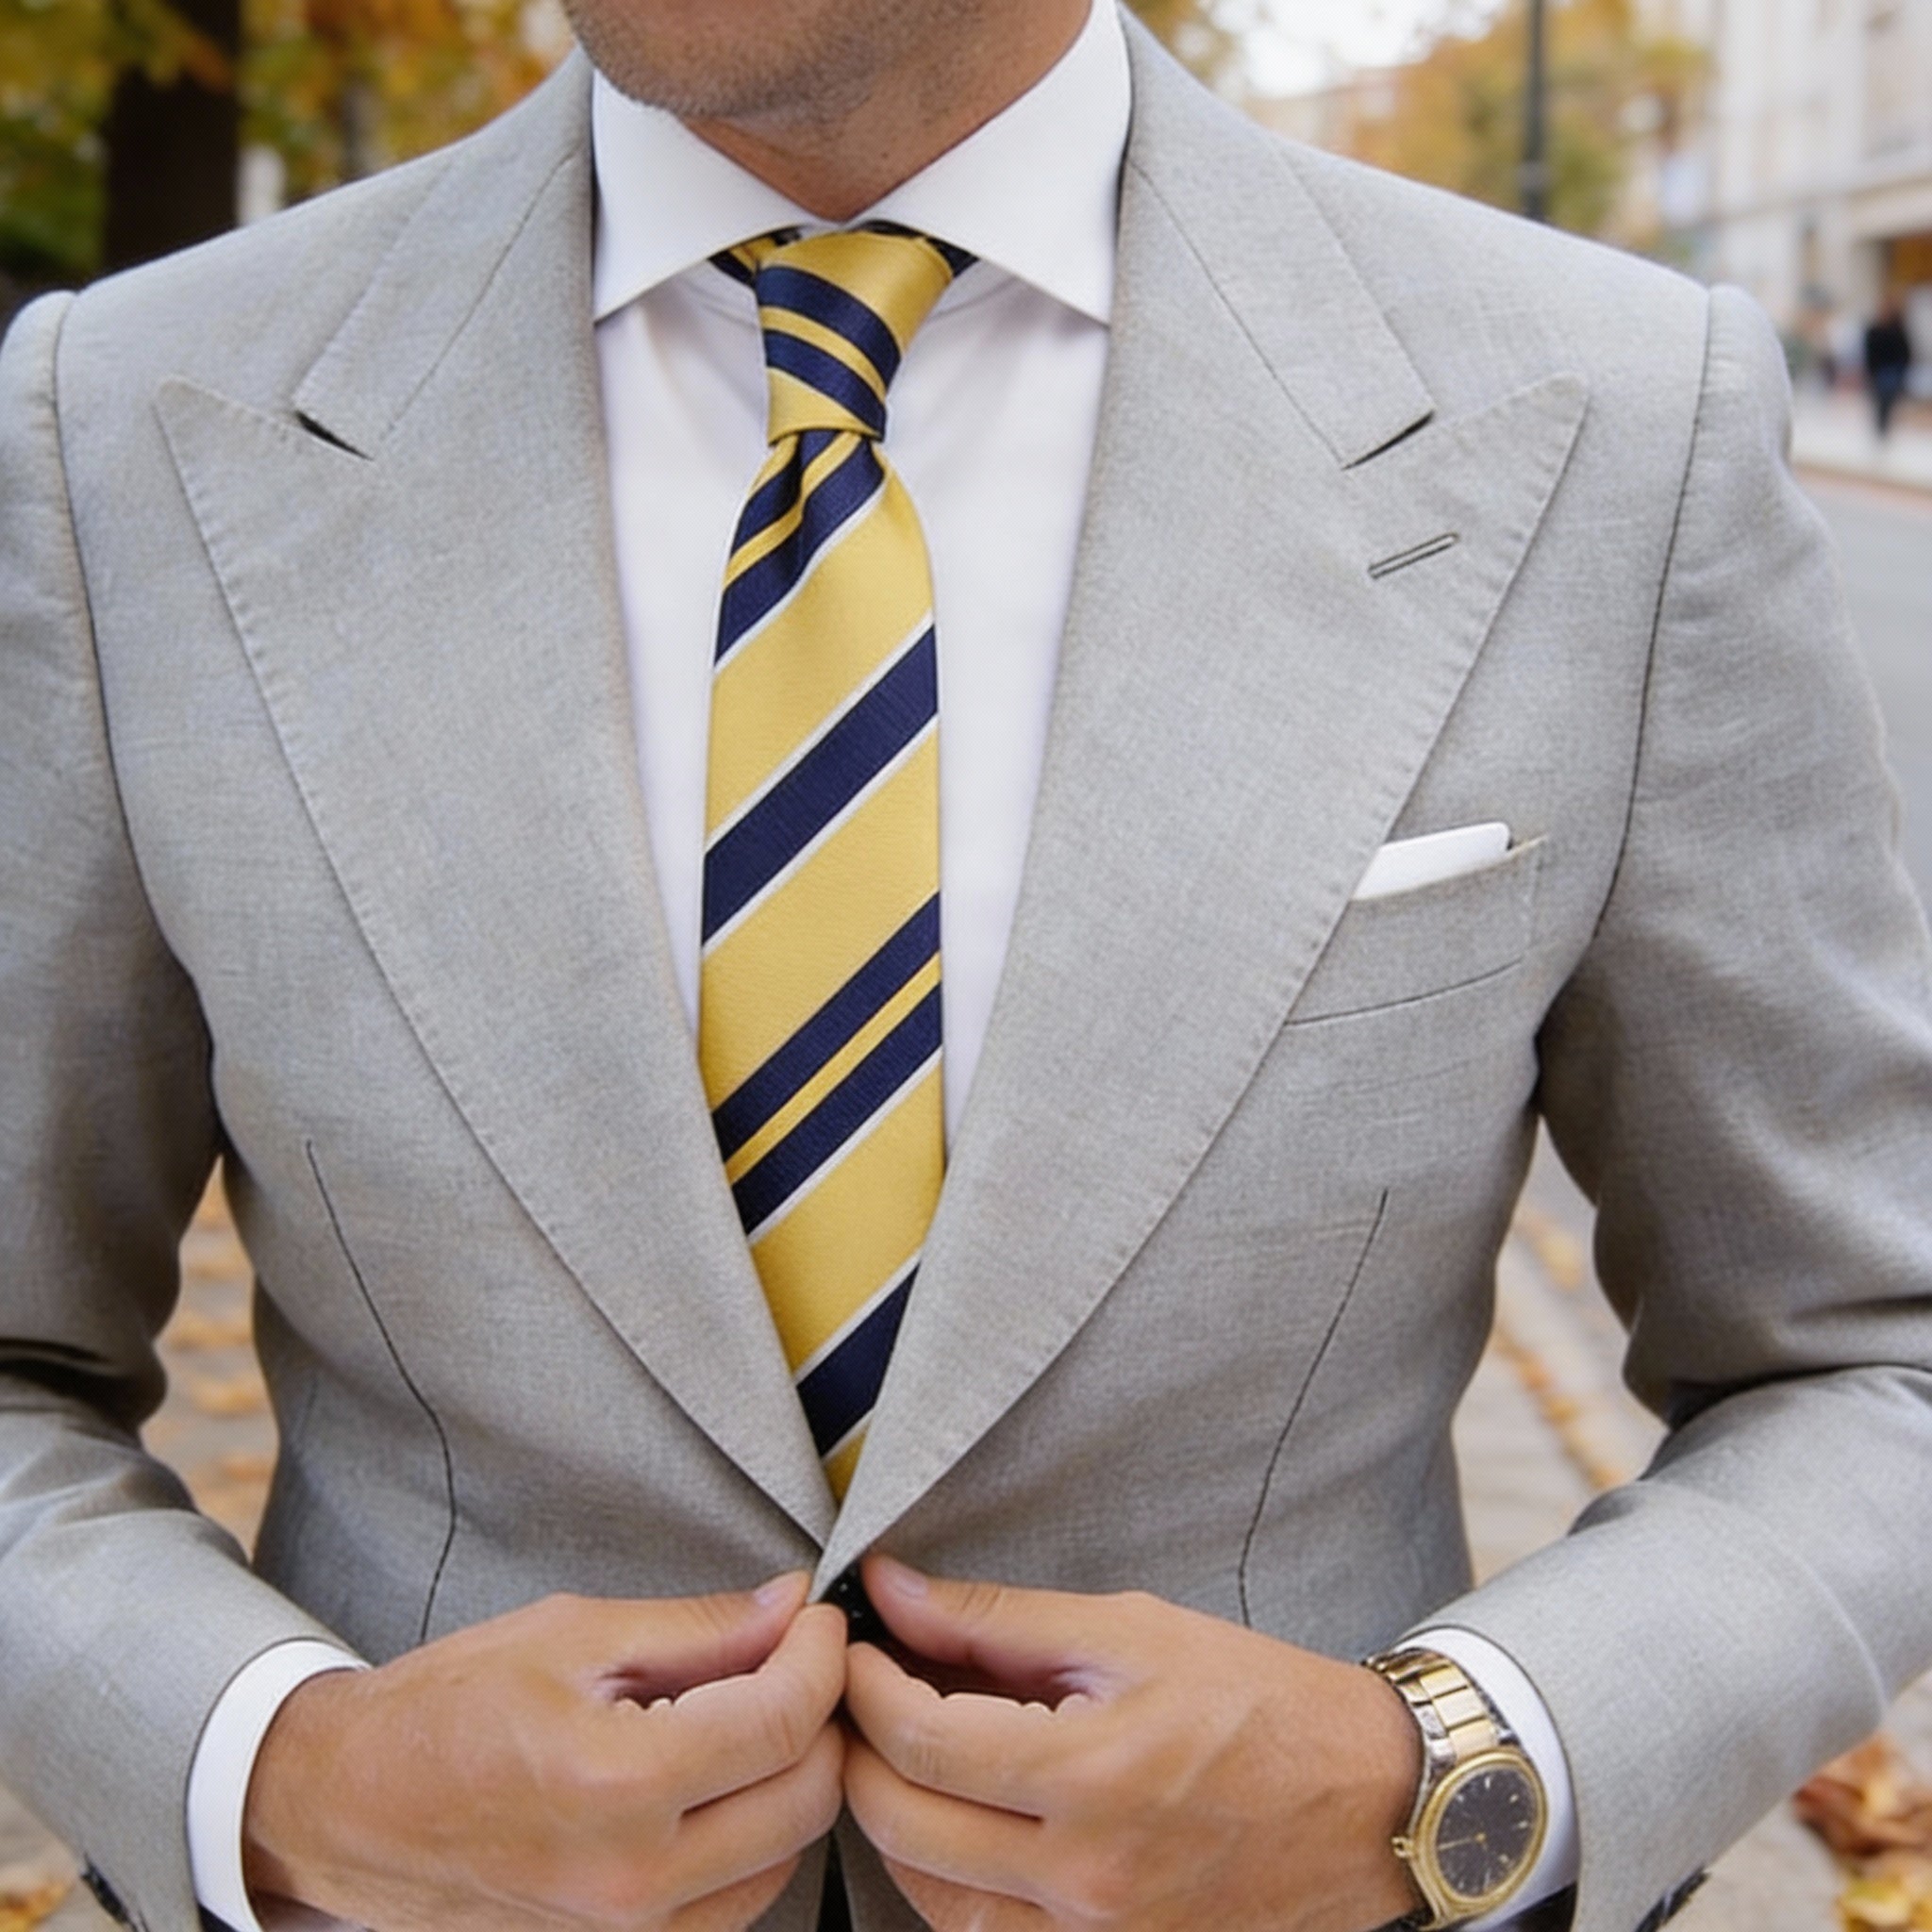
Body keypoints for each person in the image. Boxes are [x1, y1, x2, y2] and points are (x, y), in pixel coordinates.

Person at [3, 3, 1930, 1930]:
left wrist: (1437, 1777)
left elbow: (1866, 1356)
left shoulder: (1610, 417)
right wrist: (278, 1774)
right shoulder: (129, 419)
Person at [1864, 291, 1915, 438]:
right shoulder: (1875, 330)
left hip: (1892, 372)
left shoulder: (1897, 329)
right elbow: (1870, 353)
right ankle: (1880, 429)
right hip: (1880, 372)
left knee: (1888, 401)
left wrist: (1901, 370)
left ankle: (1884, 429)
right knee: (1880, 401)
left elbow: (1905, 352)